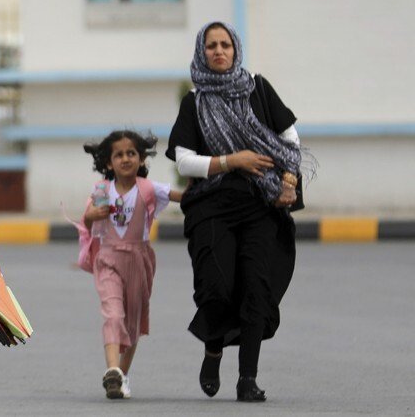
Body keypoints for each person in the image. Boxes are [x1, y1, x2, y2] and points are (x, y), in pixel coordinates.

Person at [166, 21, 306, 402]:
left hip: (260, 203)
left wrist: (289, 180)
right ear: (201, 52)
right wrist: (232, 160)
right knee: (216, 286)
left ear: (235, 48)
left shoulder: (257, 87)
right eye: (210, 45)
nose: (218, 51)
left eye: (225, 44)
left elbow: (289, 137)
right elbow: (183, 160)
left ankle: (248, 378)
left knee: (256, 287)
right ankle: (213, 349)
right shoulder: (194, 101)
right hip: (213, 204)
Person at [80, 130, 182, 400]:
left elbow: (181, 197)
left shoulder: (149, 189)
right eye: (119, 154)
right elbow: (89, 224)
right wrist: (92, 214)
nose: (125, 159)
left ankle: (121, 376)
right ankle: (112, 369)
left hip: (139, 260)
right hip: (109, 258)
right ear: (108, 162)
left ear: (141, 159)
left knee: (133, 321)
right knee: (113, 315)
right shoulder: (102, 190)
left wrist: (207, 184)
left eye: (131, 153)